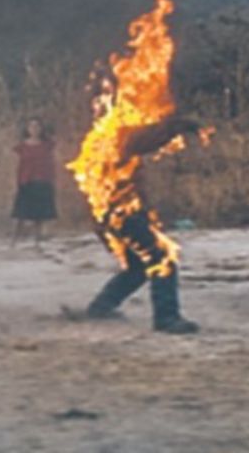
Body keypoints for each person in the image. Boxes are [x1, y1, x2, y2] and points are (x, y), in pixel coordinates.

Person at [64, 116, 203, 335]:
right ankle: (166, 318)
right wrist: (175, 126)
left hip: (109, 215)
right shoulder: (115, 140)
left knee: (137, 267)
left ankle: (100, 308)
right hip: (123, 213)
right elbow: (146, 141)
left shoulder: (101, 143)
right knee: (162, 257)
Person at [10, 117, 58, 247]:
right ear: (27, 129)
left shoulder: (48, 145)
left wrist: (52, 179)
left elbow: (52, 163)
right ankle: (14, 241)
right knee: (20, 214)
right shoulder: (21, 147)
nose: (34, 129)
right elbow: (17, 165)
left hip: (43, 180)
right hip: (26, 181)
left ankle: (37, 240)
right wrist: (17, 181)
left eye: (37, 126)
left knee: (39, 215)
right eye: (31, 126)